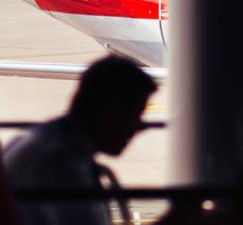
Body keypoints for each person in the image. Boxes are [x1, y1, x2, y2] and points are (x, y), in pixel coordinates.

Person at [4, 55, 157, 225]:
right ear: (111, 111)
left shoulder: (46, 142)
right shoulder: (60, 162)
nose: (139, 127)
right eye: (136, 114)